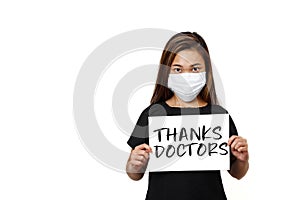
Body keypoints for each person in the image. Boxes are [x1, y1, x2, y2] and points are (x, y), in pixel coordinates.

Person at [125, 32, 249, 200]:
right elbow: (135, 174)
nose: (186, 76)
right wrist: (134, 164)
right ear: (167, 71)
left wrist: (241, 160)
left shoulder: (218, 116)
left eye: (195, 68)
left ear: (206, 71)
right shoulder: (152, 115)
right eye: (178, 69)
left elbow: (237, 173)